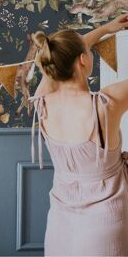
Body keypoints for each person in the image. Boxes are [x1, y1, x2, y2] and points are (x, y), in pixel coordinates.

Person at [27, 13, 128, 256]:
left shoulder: (42, 102)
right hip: (106, 222)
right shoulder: (107, 103)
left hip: (61, 222)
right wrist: (104, 29)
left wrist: (105, 29)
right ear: (83, 60)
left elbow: (61, 54)